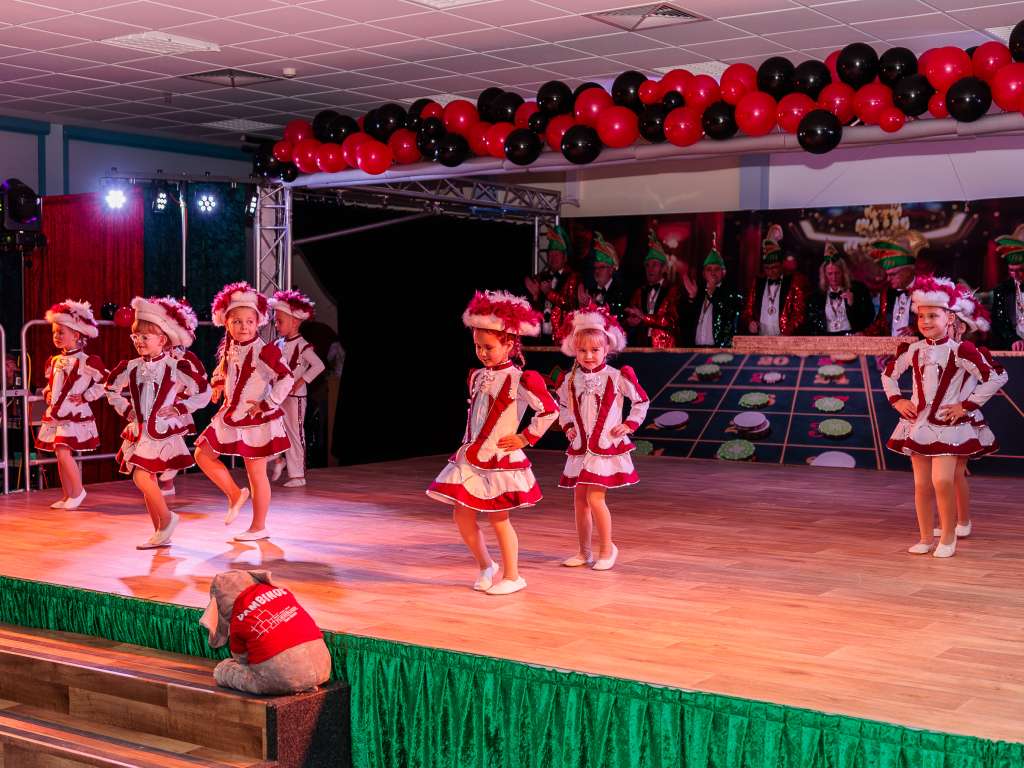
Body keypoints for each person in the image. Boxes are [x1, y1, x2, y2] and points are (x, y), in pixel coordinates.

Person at [426, 290, 558, 596]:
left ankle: (513, 575)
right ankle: (486, 565)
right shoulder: (476, 376)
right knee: (461, 515)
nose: (483, 353)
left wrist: (525, 437)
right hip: (471, 455)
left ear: (509, 344)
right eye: (478, 346)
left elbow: (549, 410)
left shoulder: (521, 379)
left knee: (499, 518)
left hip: (499, 459)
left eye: (489, 347)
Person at [881, 277, 1004, 558]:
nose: (925, 321)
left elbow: (996, 376)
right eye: (921, 316)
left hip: (950, 426)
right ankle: (926, 537)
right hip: (919, 425)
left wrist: (966, 405)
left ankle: (949, 535)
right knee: (921, 484)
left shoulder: (961, 350)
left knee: (944, 480)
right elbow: (888, 375)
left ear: (949, 318)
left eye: (933, 315)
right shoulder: (913, 349)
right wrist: (897, 399)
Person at [105, 297, 212, 549]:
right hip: (140, 431)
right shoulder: (131, 366)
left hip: (161, 431)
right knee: (147, 480)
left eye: (145, 337)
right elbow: (110, 389)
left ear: (162, 340)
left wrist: (180, 407)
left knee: (141, 476)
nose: (139, 341)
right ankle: (161, 531)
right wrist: (126, 409)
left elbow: (203, 392)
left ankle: (167, 518)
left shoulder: (175, 366)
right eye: (136, 337)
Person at [194, 282, 294, 542]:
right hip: (230, 414)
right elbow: (226, 370)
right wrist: (218, 383)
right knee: (202, 454)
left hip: (254, 418)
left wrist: (268, 402)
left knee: (256, 474)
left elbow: (286, 378)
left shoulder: (265, 350)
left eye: (249, 321)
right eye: (237, 322)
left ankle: (259, 527)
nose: (244, 327)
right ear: (226, 323)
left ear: (258, 322)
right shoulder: (231, 346)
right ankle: (234, 494)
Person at [556, 305, 649, 571]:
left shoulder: (616, 376)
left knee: (596, 499)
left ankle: (607, 549)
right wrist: (568, 426)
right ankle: (583, 551)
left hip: (605, 447)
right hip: (581, 448)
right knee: (579, 501)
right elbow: (563, 406)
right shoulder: (570, 379)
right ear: (574, 350)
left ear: (607, 349)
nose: (588, 356)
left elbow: (641, 400)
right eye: (583, 350)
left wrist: (629, 424)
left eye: (595, 350)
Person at [940, 285, 1008, 542]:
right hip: (938, 420)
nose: (945, 326)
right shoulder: (934, 350)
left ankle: (963, 521)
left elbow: (1000, 376)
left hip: (961, 421)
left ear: (962, 327)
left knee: (955, 473)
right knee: (940, 476)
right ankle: (948, 522)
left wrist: (967, 404)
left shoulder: (970, 351)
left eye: (951, 323)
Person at [35, 300, 106, 510]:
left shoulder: (87, 361)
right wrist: (48, 393)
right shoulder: (55, 360)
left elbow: (106, 383)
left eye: (61, 332)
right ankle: (68, 495)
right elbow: (51, 385)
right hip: (57, 412)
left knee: (62, 451)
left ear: (76, 335)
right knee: (59, 453)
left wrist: (87, 396)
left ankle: (78, 491)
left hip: (74, 412)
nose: (56, 336)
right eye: (54, 332)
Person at [268, 290, 325, 489]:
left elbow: (318, 366)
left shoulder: (303, 346)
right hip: (277, 395)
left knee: (294, 434)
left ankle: (297, 474)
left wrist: (301, 381)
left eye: (280, 321)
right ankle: (278, 460)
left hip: (295, 397)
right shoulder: (278, 343)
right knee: (272, 429)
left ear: (294, 322)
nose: (276, 325)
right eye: (275, 321)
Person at [159, 300, 207, 497]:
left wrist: (185, 397)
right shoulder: (157, 353)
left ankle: (173, 470)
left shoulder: (187, 358)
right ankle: (167, 485)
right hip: (158, 405)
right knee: (159, 443)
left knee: (174, 439)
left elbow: (201, 380)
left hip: (176, 406)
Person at [741, 224, 806, 336]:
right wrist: (750, 322)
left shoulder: (792, 283)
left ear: (781, 265)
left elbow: (799, 314)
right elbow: (748, 311)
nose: (770, 271)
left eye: (774, 267)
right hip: (760, 340)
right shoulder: (758, 283)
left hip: (783, 341)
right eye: (767, 268)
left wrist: (788, 330)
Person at [682, 236, 743, 347]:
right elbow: (686, 322)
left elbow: (730, 315)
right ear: (703, 274)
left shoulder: (732, 293)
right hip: (695, 349)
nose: (712, 272)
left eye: (716, 269)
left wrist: (713, 294)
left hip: (718, 350)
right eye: (709, 269)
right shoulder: (699, 293)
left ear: (723, 272)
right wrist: (692, 297)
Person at [624, 228, 680, 347]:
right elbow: (631, 316)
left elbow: (671, 321)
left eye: (655, 265)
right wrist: (631, 321)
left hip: (664, 348)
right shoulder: (639, 291)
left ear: (664, 268)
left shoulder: (673, 290)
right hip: (642, 346)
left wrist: (644, 317)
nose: (650, 269)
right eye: (647, 265)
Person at [866, 232, 927, 337]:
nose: (888, 279)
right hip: (891, 346)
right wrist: (864, 334)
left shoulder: (926, 291)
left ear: (908, 271)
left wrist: (916, 329)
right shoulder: (887, 293)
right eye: (887, 274)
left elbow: (937, 322)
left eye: (893, 274)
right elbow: (880, 323)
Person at [525, 225, 579, 343]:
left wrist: (549, 293)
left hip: (563, 339)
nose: (552, 258)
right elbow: (532, 313)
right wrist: (535, 296)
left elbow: (572, 306)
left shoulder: (573, 277)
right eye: (550, 254)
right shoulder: (540, 277)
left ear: (565, 257)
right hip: (541, 339)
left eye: (556, 255)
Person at [805, 243, 875, 335]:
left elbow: (868, 318)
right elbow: (812, 325)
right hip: (827, 339)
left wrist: (852, 304)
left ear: (843, 273)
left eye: (837, 273)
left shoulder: (858, 290)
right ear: (824, 275)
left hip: (851, 337)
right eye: (830, 274)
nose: (834, 277)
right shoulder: (816, 297)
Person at [578, 232, 627, 325]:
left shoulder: (620, 292)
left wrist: (594, 307)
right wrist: (583, 307)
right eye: (595, 267)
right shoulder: (590, 291)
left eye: (601, 267)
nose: (597, 271)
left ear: (611, 270)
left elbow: (617, 321)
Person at [990, 225, 1024, 351]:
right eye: (1012, 270)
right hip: (1014, 351)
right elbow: (999, 323)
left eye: (1021, 270)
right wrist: (1013, 339)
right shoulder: (1002, 290)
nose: (1015, 275)